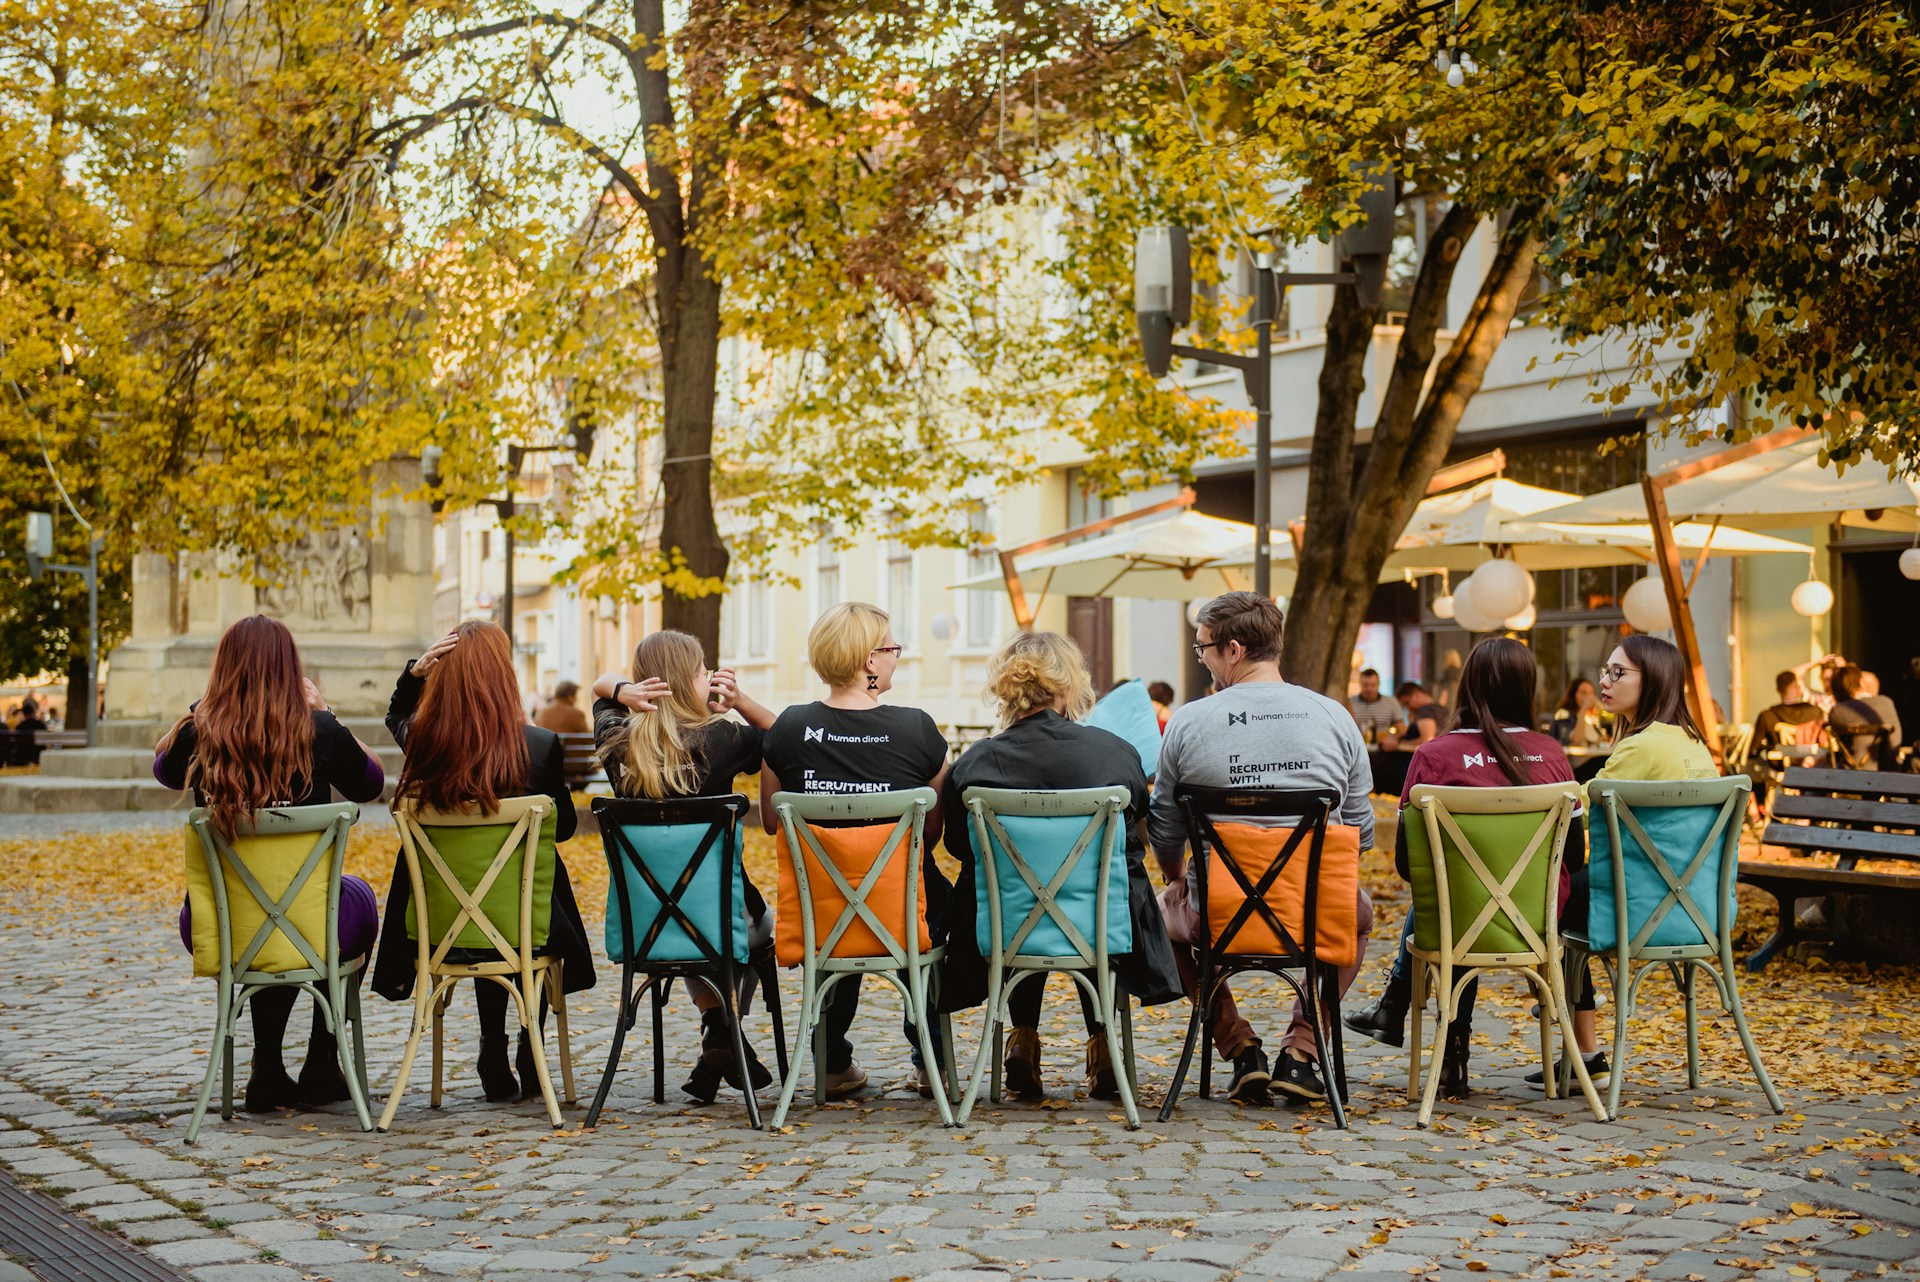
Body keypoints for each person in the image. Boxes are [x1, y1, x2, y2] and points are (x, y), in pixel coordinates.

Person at [1150, 592, 1375, 1106]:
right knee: (1360, 916)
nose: (1200, 657)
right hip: (1317, 912)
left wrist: (1174, 878)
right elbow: (1360, 834)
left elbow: (1164, 829)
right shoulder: (1335, 717)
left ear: (1232, 649)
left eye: (1202, 647)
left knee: (1159, 915)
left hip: (1218, 913)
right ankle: (1301, 1050)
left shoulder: (1188, 722)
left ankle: (1238, 1046)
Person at [155, 616, 388, 1112]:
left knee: (270, 917)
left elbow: (162, 769)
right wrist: (330, 713)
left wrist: (203, 710)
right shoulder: (321, 731)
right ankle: (323, 1060)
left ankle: (266, 1066)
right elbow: (372, 783)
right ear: (291, 669)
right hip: (313, 921)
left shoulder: (201, 733)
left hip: (217, 921)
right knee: (348, 901)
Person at [940, 632, 1184, 1099]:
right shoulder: (1115, 754)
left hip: (1004, 929)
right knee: (1093, 894)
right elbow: (1134, 837)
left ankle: (1022, 1041)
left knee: (1013, 893)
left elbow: (960, 848)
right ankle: (1103, 1045)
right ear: (1069, 688)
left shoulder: (975, 764)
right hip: (1100, 927)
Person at [1343, 637, 1584, 1096]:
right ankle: (1403, 1016)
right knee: (1460, 899)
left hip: (1455, 925)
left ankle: (1440, 1048)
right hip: (1535, 925)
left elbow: (1409, 867)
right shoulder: (1553, 756)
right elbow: (1573, 858)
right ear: (1527, 689)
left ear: (1466, 687)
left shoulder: (1432, 757)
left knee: (1449, 900)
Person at [371, 622, 595, 1105]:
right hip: (522, 924)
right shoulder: (538, 746)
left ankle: (492, 1045)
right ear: (505, 675)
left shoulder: (425, 744)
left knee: (487, 904)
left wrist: (415, 675)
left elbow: (396, 716)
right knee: (526, 894)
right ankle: (527, 1043)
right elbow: (567, 828)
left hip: (440, 927)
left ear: (443, 678)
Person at [759, 602, 952, 1099]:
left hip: (818, 912)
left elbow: (769, 821)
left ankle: (830, 1063)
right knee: (929, 896)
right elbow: (930, 833)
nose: (895, 658)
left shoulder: (787, 728)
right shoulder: (918, 729)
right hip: (906, 912)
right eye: (891, 649)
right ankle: (932, 1063)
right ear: (869, 661)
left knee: (840, 897)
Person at [587, 631, 780, 1104]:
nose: (709, 677)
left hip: (647, 928)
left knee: (692, 923)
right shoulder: (727, 738)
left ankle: (717, 1029)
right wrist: (737, 702)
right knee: (744, 929)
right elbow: (788, 738)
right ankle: (722, 1031)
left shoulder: (616, 740)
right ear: (685, 680)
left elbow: (599, 687)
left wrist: (620, 692)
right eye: (703, 671)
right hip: (726, 924)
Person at [1518, 632, 1718, 1087]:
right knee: (1562, 902)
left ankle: (1564, 1012)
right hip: (1696, 910)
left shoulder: (1640, 747)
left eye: (1618, 672)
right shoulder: (1693, 743)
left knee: (1537, 900)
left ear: (1654, 681)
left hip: (1635, 908)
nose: (1605, 680)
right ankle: (1569, 1014)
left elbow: (1575, 811)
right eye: (1605, 670)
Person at [1829, 666, 1904, 769]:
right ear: (1861, 683)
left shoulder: (1837, 711)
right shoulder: (1886, 703)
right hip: (1888, 772)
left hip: (1850, 776)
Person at [1753, 669, 1826, 750]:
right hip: (1814, 759)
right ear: (1797, 689)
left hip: (1780, 760)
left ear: (1778, 689)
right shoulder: (1816, 712)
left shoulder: (1767, 716)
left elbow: (1754, 749)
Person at [1381, 682, 1442, 753]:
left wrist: (1398, 745)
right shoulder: (1441, 709)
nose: (1407, 707)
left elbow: (1426, 740)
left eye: (1407, 702)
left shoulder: (1425, 710)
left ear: (1417, 694)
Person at [1551, 678, 1604, 749]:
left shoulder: (1591, 717)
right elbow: (1577, 740)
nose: (1588, 697)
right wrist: (1584, 709)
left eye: (1591, 693)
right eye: (1583, 693)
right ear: (1574, 695)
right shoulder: (1563, 714)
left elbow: (1598, 739)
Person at [1349, 669, 1397, 741]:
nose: (1369, 689)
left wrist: (1393, 740)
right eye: (1365, 685)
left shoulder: (1391, 702)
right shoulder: (1350, 702)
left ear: (1378, 684)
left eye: (1373, 685)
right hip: (1357, 747)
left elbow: (1401, 729)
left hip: (1384, 748)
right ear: (1360, 684)